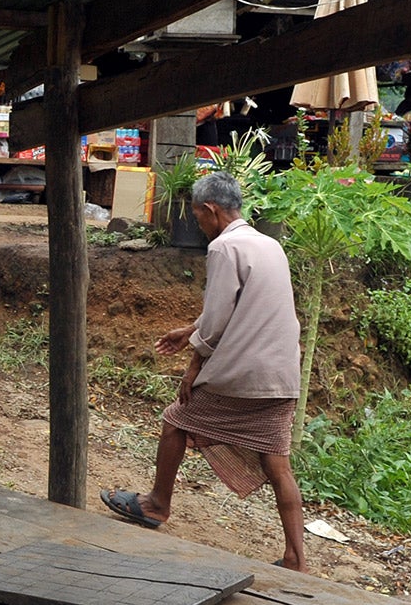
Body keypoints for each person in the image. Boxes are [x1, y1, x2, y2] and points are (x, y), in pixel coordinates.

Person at [101, 171, 307, 570]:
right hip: (282, 376)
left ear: (211, 211)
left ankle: (157, 504)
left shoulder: (224, 248)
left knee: (176, 421)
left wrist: (193, 365)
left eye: (198, 219)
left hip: (243, 375)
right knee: (277, 463)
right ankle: (296, 558)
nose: (200, 227)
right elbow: (241, 308)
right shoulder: (269, 245)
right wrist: (189, 329)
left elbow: (216, 321)